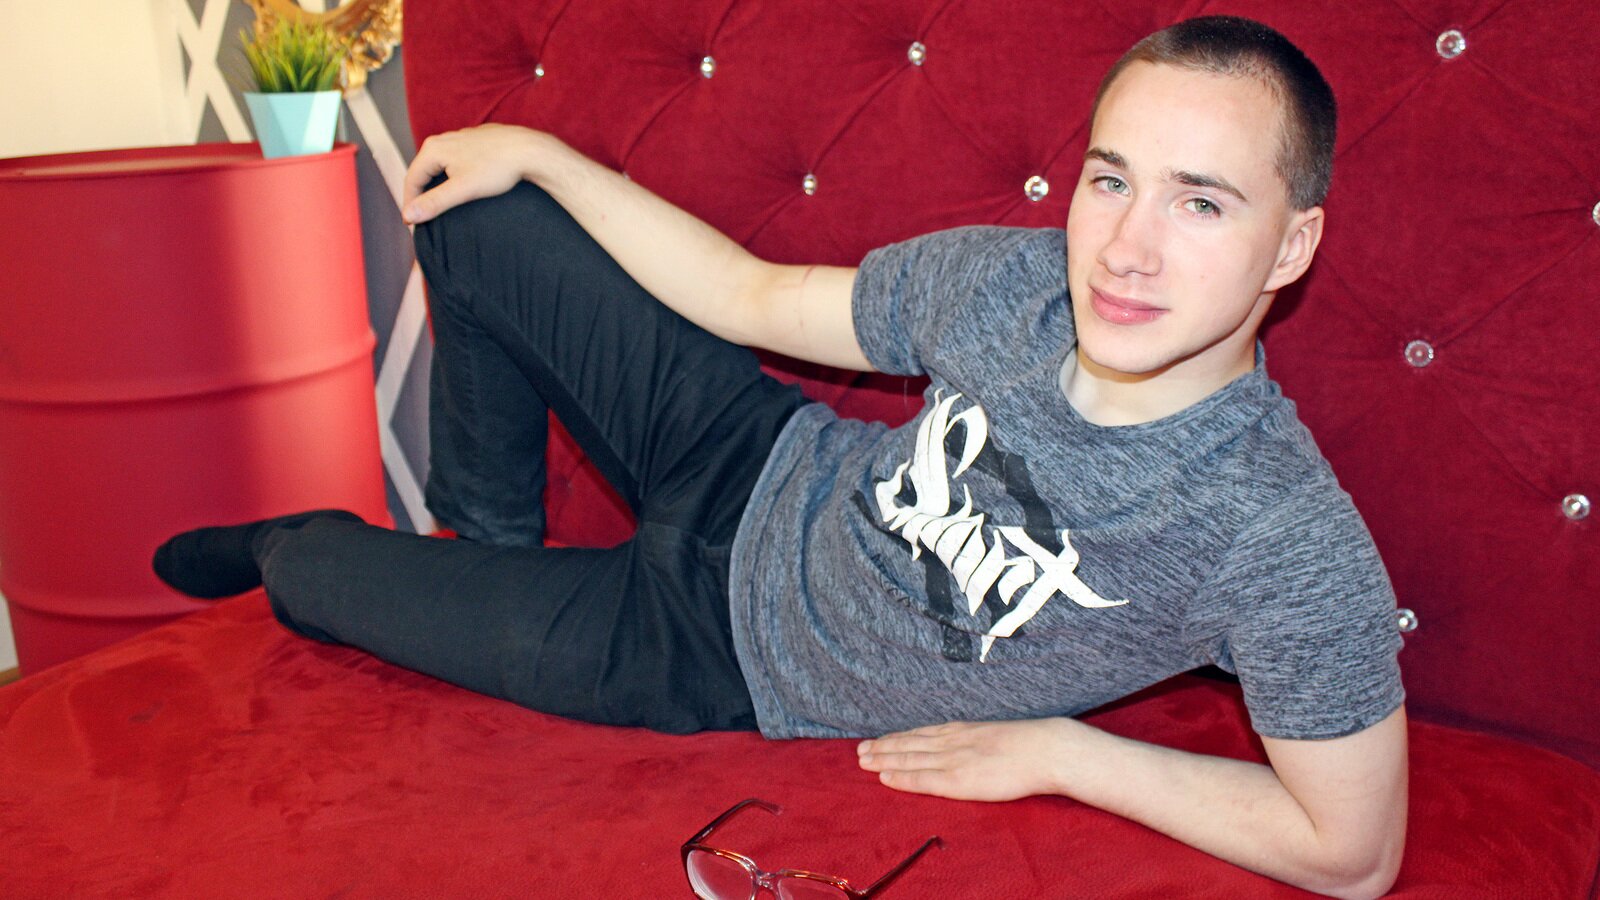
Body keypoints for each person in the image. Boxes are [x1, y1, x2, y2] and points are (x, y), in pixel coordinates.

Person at [154, 15, 1406, 898]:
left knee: (312, 577)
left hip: (710, 654)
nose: (1127, 248)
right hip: (745, 455)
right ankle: (482, 546)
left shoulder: (1275, 534)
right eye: (1109, 180)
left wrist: (1065, 753)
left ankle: (309, 553)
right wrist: (544, 155)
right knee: (479, 210)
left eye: (1200, 202)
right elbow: (755, 294)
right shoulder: (1010, 285)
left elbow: (1353, 854)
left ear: (1291, 245)